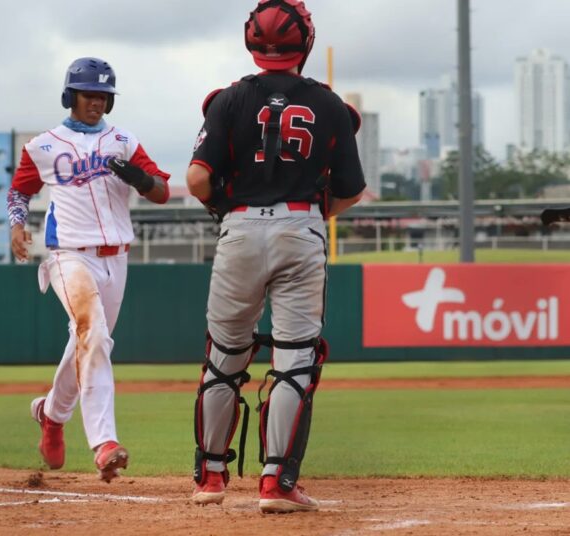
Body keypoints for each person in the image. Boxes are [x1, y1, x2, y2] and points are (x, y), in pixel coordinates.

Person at [186, 0, 365, 513]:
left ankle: (210, 478)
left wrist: (228, 209)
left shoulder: (228, 101)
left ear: (251, 41)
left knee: (224, 356)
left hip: (239, 227)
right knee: (295, 359)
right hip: (301, 225)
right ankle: (275, 485)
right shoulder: (329, 105)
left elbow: (197, 178)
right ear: (305, 42)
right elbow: (352, 188)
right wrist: (309, 213)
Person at [7, 57, 170, 482]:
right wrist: (17, 226)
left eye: (103, 96)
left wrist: (138, 177)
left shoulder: (124, 141)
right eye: (88, 94)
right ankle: (104, 443)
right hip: (68, 255)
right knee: (93, 334)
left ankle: (51, 415)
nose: (96, 102)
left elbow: (163, 192)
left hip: (117, 257)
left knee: (87, 341)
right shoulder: (43, 145)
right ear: (70, 96)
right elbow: (19, 192)